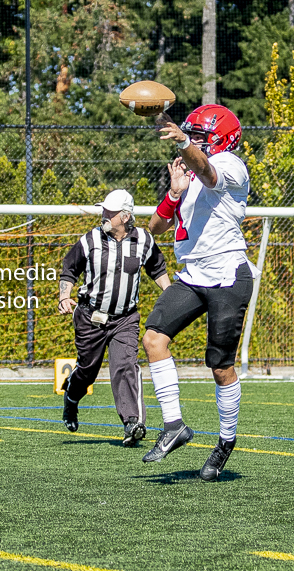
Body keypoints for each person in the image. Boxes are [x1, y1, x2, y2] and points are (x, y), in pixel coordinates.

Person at [141, 105, 257, 482]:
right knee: (154, 339)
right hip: (193, 274)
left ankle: (225, 440)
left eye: (201, 135)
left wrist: (186, 142)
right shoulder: (188, 172)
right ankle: (174, 425)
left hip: (226, 272)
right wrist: (174, 194)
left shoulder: (231, 164)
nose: (195, 142)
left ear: (221, 138)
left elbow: (208, 171)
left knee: (220, 366)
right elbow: (155, 227)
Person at [59, 189, 170, 446]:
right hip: (90, 316)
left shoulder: (143, 240)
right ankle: (71, 399)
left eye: (109, 211)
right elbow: (69, 270)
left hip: (125, 319)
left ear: (125, 216)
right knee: (87, 371)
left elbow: (158, 269)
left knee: (125, 367)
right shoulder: (90, 241)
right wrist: (64, 297)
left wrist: (171, 295)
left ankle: (133, 422)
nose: (104, 215)